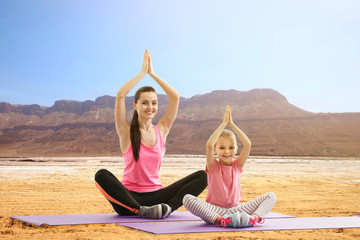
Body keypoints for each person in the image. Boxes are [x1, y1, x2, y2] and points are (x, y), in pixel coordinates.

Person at [95, 50, 207, 219]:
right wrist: (142, 74)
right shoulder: (126, 131)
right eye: (145, 103)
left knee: (203, 176)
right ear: (135, 105)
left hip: (157, 196)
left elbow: (175, 97)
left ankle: (167, 208)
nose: (150, 107)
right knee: (101, 175)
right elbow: (120, 95)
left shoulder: (162, 130)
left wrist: (153, 74)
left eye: (154, 103)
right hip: (129, 198)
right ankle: (141, 211)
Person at [183, 106, 276, 228]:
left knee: (271, 196)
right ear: (216, 150)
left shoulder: (237, 165)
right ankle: (220, 221)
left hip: (237, 209)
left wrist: (231, 124)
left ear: (236, 149)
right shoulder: (213, 166)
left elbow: (247, 144)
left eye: (231, 147)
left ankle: (253, 219)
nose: (227, 151)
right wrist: (223, 124)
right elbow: (209, 145)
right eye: (222, 148)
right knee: (187, 199)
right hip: (214, 211)